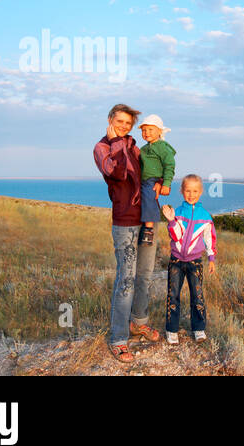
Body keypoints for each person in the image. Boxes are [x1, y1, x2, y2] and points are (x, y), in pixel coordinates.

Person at [93, 103, 162, 363]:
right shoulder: (102, 148)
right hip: (125, 223)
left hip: (147, 218)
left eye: (127, 123)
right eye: (119, 121)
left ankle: (139, 323)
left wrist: (158, 183)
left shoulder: (133, 145)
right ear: (110, 119)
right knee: (126, 281)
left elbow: (147, 173)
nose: (123, 126)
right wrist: (117, 142)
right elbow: (117, 173)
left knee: (144, 276)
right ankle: (119, 338)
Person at [163, 174, 218, 345]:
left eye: (195, 191)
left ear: (201, 192)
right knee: (173, 295)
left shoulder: (205, 216)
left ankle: (199, 328)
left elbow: (210, 238)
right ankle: (172, 330)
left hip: (195, 262)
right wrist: (172, 221)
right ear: (182, 191)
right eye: (188, 190)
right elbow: (176, 236)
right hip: (176, 261)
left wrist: (211, 258)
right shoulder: (177, 213)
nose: (191, 194)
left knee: (197, 296)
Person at [137, 115, 176, 246]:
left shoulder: (163, 147)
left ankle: (148, 229)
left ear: (159, 131)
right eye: (143, 130)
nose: (146, 133)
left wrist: (166, 183)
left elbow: (169, 166)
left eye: (150, 129)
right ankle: (142, 223)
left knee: (149, 197)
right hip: (142, 180)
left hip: (152, 180)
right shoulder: (144, 149)